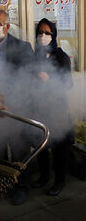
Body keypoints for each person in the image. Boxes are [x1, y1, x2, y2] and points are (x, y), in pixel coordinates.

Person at [0, 9, 35, 205]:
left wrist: (11, 102)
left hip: (15, 110)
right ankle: (2, 184)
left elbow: (28, 81)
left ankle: (21, 187)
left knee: (20, 152)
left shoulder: (22, 48)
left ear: (7, 26)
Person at [30, 18, 75, 196]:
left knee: (59, 148)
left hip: (57, 110)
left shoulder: (61, 56)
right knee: (41, 146)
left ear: (54, 35)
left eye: (47, 33)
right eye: (40, 32)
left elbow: (67, 84)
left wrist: (50, 80)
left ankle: (59, 181)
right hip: (38, 108)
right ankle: (43, 177)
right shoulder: (34, 56)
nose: (43, 36)